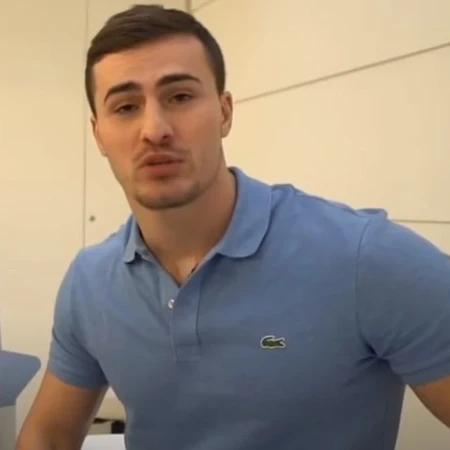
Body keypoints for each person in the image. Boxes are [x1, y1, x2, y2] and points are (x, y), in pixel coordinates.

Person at [16, 4, 450, 450]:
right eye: (126, 107)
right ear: (99, 135)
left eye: (180, 97)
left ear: (224, 113)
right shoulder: (90, 283)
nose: (154, 129)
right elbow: (48, 436)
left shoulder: (368, 258)